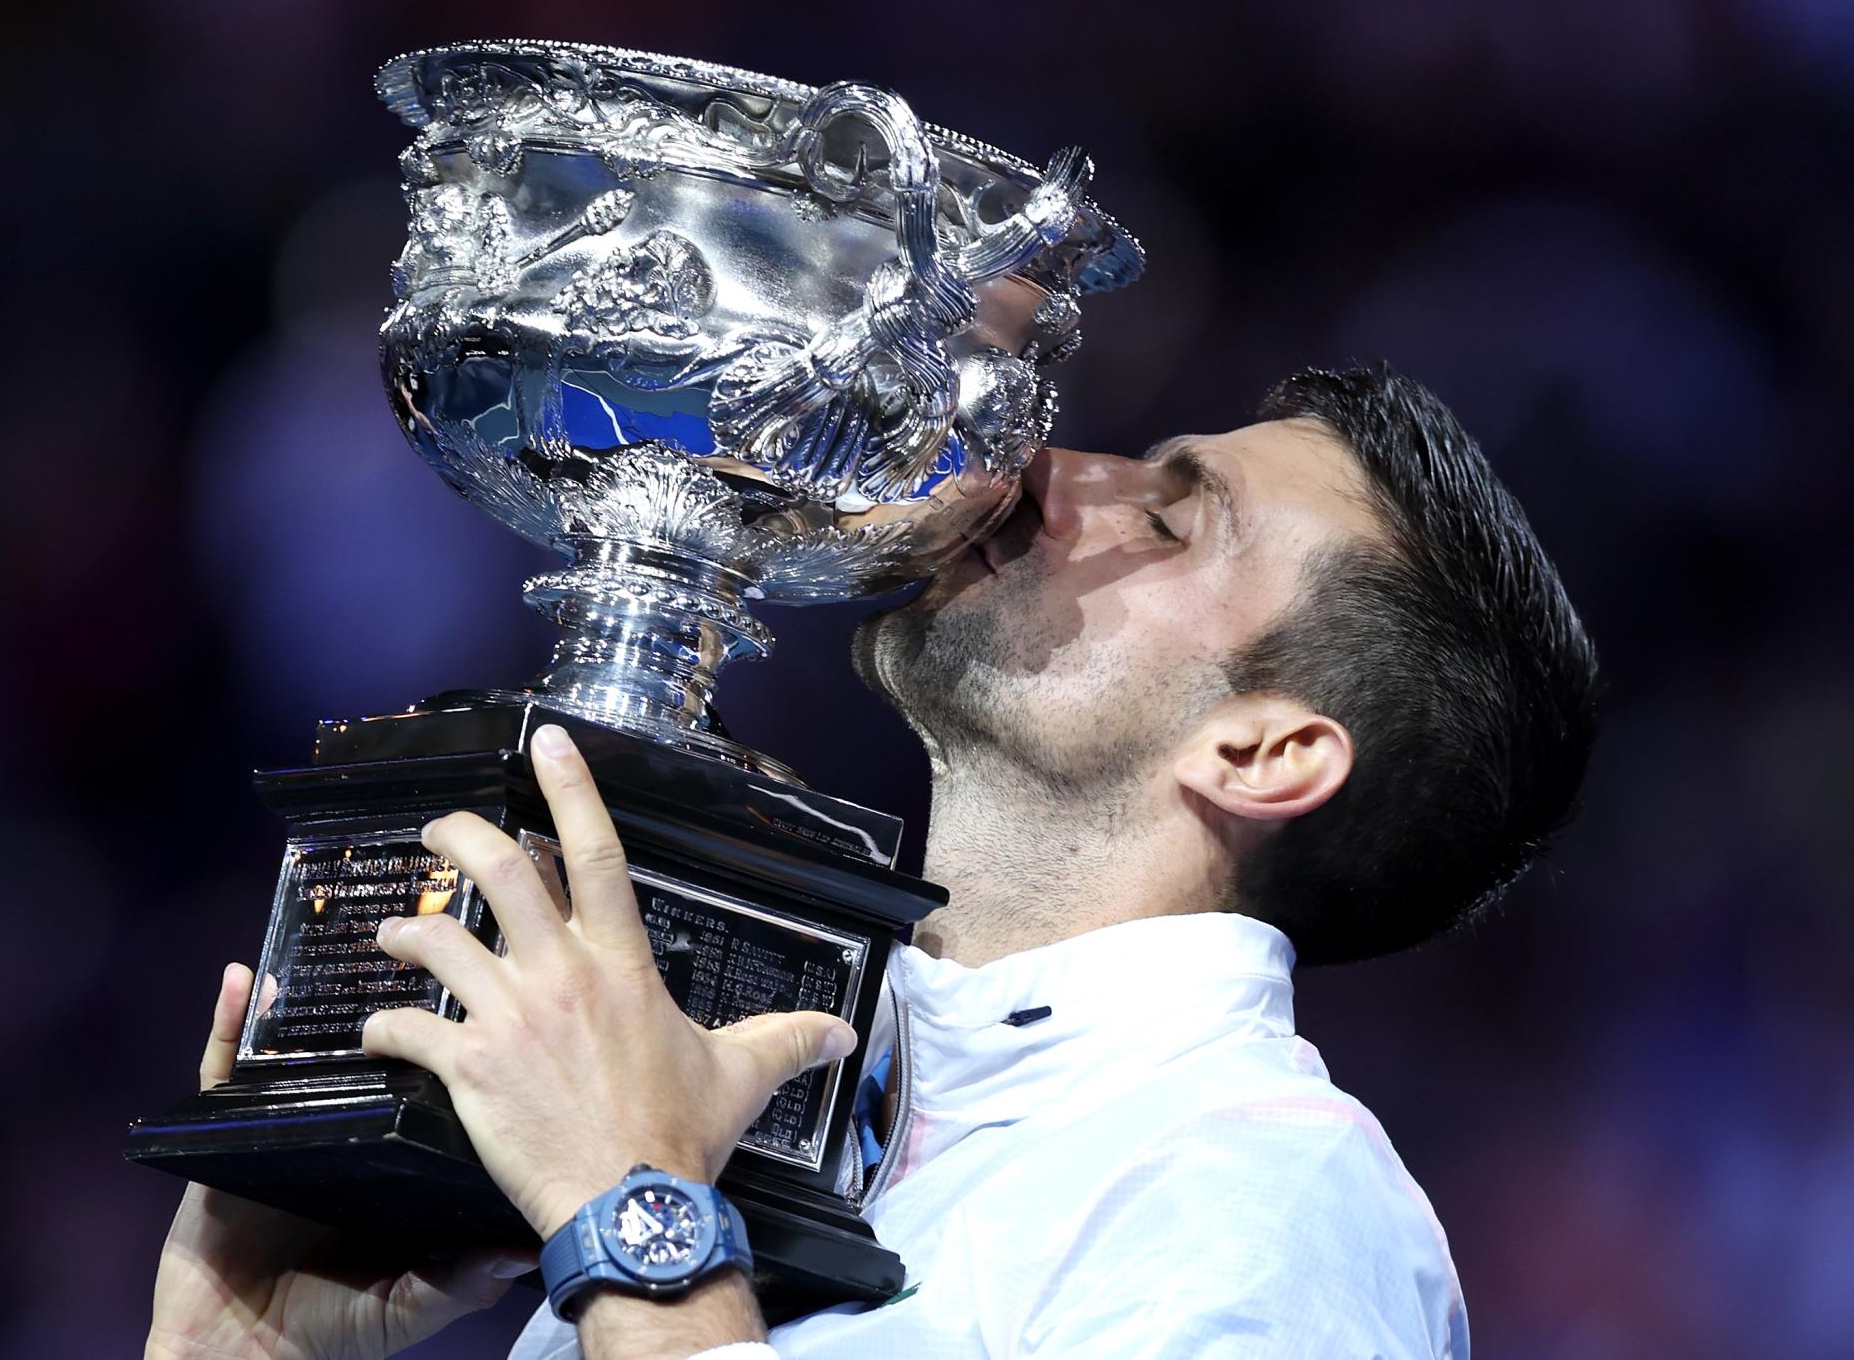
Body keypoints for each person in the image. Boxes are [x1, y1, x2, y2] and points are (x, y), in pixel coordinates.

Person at [146, 365, 1599, 1360]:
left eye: (1164, 516)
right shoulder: (747, 1109)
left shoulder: (1268, 1202)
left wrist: (639, 1227)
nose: (1045, 473)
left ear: (1264, 750)